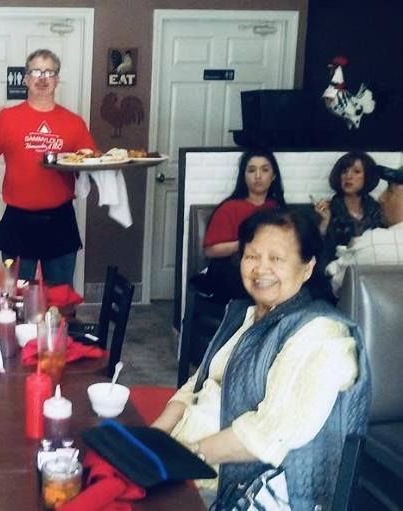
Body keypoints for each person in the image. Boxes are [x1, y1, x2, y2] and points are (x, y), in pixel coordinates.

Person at [152, 208, 370, 509]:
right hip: (189, 458)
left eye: (277, 259)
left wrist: (182, 459)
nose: (260, 269)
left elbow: (267, 435)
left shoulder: (321, 335)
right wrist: (155, 436)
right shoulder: (245, 312)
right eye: (252, 256)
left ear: (307, 268)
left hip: (241, 487)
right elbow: (199, 381)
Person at [0, 49, 96, 285]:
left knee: (60, 298)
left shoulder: (74, 123)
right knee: (16, 298)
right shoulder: (6, 118)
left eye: (49, 72)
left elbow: (90, 163)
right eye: (36, 71)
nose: (42, 78)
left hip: (60, 221)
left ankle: (59, 324)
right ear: (26, 78)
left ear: (57, 79)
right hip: (17, 222)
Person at [198, 148, 286, 299]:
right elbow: (210, 251)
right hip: (235, 274)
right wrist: (247, 245)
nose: (258, 176)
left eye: (264, 170)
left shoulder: (278, 209)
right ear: (244, 176)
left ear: (273, 177)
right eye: (251, 170)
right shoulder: (229, 208)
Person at [326, 165, 403, 294]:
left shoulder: (374, 239)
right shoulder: (330, 208)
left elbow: (338, 285)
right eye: (345, 171)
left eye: (389, 191)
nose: (381, 198)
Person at [314, 151, 383, 268]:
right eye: (344, 171)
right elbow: (317, 252)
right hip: (336, 270)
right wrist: (323, 225)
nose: (348, 176)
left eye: (356, 172)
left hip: (372, 268)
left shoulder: (377, 210)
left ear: (368, 176)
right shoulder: (327, 210)